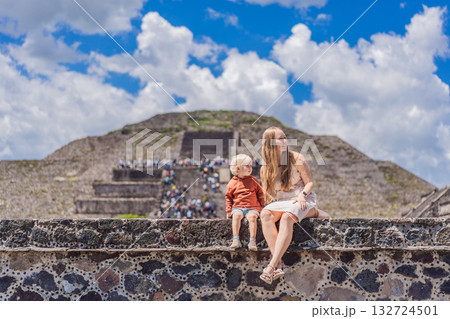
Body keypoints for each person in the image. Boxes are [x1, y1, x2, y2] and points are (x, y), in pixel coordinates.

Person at [259, 127, 330, 284]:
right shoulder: (265, 169)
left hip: (303, 198)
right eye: (280, 138)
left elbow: (309, 183)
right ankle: (279, 265)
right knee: (265, 214)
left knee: (286, 218)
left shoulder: (296, 158)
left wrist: (302, 196)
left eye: (285, 137)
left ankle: (272, 265)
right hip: (283, 201)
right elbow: (266, 196)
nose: (285, 141)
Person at [225, 154, 265, 251]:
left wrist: (262, 207)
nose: (250, 168)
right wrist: (228, 210)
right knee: (236, 216)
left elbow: (260, 194)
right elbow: (229, 197)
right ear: (238, 168)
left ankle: (252, 240)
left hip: (252, 207)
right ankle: (235, 239)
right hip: (238, 207)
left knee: (252, 218)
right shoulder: (232, 183)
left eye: (251, 166)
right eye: (247, 165)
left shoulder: (253, 180)